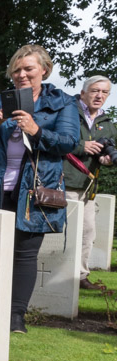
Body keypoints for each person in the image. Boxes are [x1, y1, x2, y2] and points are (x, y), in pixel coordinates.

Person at [0, 44, 79, 334]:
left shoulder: (62, 102)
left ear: (44, 70)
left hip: (34, 191)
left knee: (25, 255)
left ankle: (16, 318)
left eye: (29, 68)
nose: (22, 74)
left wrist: (36, 130)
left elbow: (68, 143)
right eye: (17, 69)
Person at [64, 75, 114, 291]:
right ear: (83, 92)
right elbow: (51, 139)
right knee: (62, 234)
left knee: (88, 232)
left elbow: (110, 154)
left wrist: (107, 160)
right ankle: (53, 275)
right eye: (95, 90)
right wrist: (81, 146)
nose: (99, 95)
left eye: (104, 92)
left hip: (88, 188)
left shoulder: (108, 125)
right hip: (62, 182)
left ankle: (80, 276)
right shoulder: (67, 114)